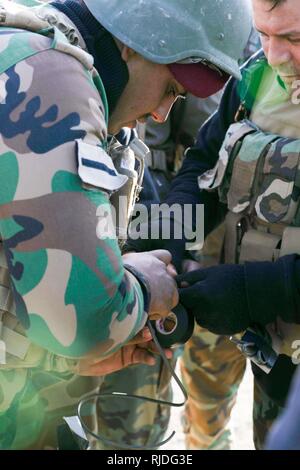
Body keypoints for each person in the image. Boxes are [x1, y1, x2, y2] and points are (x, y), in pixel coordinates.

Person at [0, 0, 252, 450]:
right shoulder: (51, 80)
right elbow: (83, 321)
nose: (160, 114)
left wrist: (65, 361)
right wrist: (145, 285)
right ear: (135, 41)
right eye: (171, 88)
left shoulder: (32, 54)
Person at [126, 0, 300, 450]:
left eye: (294, 39)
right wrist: (173, 234)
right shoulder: (260, 75)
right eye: (263, 34)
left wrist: (256, 290)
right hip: (276, 360)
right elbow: (204, 165)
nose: (274, 54)